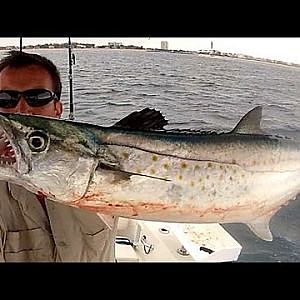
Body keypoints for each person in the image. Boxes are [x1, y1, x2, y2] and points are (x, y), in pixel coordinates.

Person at [0, 50, 118, 262]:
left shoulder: (103, 162)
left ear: (57, 109)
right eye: (6, 99)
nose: (21, 109)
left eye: (37, 98)